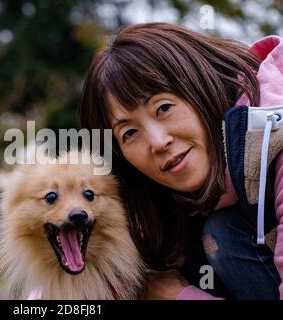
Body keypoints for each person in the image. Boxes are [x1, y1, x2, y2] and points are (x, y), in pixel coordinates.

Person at [79, 23, 283, 299]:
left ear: (199, 85)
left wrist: (179, 295)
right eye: (129, 133)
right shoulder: (162, 189)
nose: (158, 142)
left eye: (163, 108)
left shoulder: (276, 139)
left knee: (221, 233)